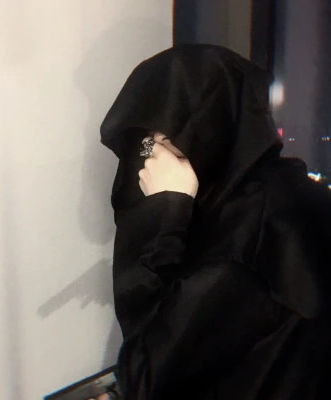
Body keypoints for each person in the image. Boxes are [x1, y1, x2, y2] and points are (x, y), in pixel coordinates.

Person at [99, 44, 331, 400]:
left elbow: (145, 377)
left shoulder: (242, 236)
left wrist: (161, 215)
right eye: (145, 145)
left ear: (213, 125)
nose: (150, 159)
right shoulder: (291, 193)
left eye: (168, 138)